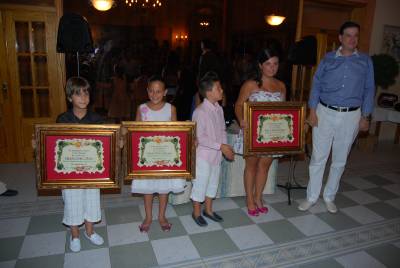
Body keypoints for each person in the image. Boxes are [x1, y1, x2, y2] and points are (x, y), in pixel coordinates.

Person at [298, 21, 375, 214]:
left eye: (355, 35)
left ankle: (329, 196)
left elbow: (369, 89)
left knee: (340, 160)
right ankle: (311, 197)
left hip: (352, 116)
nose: (352, 39)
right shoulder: (328, 59)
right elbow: (316, 85)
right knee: (318, 157)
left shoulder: (365, 61)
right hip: (325, 112)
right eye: (348, 35)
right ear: (340, 38)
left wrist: (366, 116)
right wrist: (312, 111)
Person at [234, 48, 286, 217]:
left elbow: (284, 112)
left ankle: (258, 198)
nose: (272, 68)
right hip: (252, 132)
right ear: (260, 65)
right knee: (251, 166)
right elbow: (239, 105)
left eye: (275, 64)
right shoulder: (251, 84)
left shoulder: (281, 86)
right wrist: (242, 119)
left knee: (265, 166)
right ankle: (249, 199)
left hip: (272, 135)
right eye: (268, 64)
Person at [56, 77, 105, 252]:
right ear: (70, 98)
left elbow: (104, 145)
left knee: (92, 200)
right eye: (78, 94)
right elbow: (57, 147)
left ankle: (90, 232)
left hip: (92, 171)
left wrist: (117, 143)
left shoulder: (98, 119)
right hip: (70, 172)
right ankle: (75, 234)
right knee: (72, 201)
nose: (83, 98)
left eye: (86, 93)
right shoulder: (62, 119)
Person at [131, 75, 185, 232]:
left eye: (158, 91)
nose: (155, 95)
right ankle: (148, 217)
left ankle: (161, 216)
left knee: (164, 188)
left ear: (165, 92)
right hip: (147, 156)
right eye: (152, 91)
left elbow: (176, 133)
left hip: (165, 156)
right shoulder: (141, 108)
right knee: (147, 189)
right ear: (147, 91)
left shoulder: (171, 109)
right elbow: (135, 132)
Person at [191, 72, 235, 227]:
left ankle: (208, 210)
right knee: (200, 183)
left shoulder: (219, 109)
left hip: (216, 155)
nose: (222, 90)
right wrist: (220, 146)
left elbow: (222, 130)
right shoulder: (200, 112)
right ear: (209, 92)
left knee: (212, 183)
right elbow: (200, 137)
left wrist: (225, 147)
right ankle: (196, 212)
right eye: (219, 88)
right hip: (203, 156)